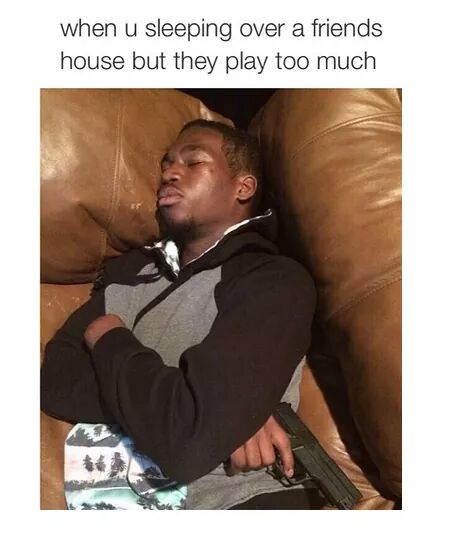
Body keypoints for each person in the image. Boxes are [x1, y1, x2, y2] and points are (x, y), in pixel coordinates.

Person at [41, 119, 322, 510]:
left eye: (193, 162)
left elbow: (187, 440)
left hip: (241, 500)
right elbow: (55, 381)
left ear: (243, 187)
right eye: (167, 164)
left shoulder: (274, 280)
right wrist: (213, 411)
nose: (170, 173)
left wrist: (109, 339)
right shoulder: (127, 277)